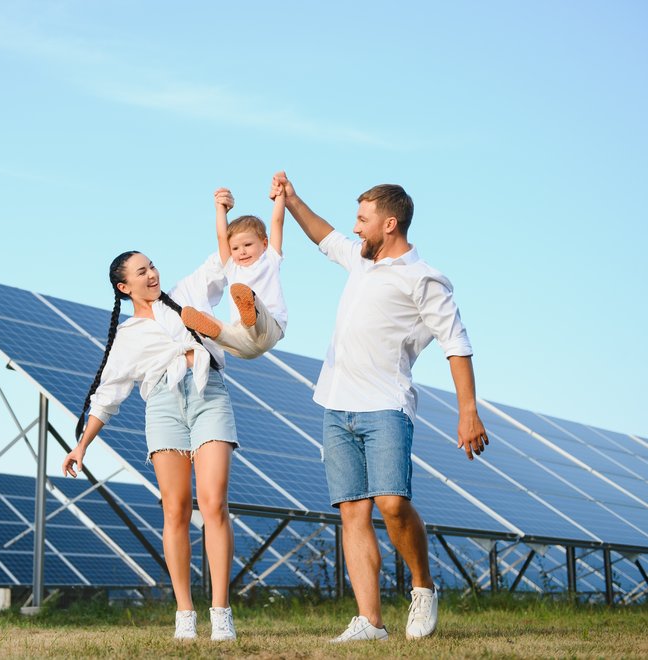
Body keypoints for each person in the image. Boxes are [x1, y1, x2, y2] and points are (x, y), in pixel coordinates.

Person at [269, 171, 489, 643]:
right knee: (353, 512)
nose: (355, 228)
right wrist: (290, 199)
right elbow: (322, 234)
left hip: (386, 405)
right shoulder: (361, 261)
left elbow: (457, 343)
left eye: (363, 219)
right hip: (335, 403)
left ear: (390, 224)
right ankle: (370, 622)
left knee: (392, 503)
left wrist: (467, 409)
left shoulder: (423, 278)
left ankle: (423, 587)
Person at [62, 251, 240, 642]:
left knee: (213, 504)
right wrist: (82, 446)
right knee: (175, 509)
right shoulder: (126, 337)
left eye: (153, 266)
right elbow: (108, 395)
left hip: (207, 394)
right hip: (162, 407)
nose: (153, 274)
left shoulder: (185, 294)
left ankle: (221, 612)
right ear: (125, 287)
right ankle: (185, 614)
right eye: (142, 271)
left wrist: (222, 213)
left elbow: (221, 262)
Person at [180, 187, 288, 359]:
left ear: (265, 243)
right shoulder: (232, 267)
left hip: (269, 328)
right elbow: (222, 237)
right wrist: (220, 209)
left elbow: (277, 223)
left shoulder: (270, 259)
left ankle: (249, 309)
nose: (242, 252)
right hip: (244, 344)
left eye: (248, 245)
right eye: (236, 248)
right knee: (224, 332)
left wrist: (280, 197)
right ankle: (211, 327)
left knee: (252, 311)